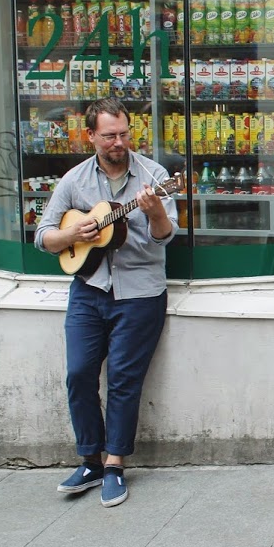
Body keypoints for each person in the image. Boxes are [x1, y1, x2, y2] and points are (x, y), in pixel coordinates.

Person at [35, 97, 178, 508]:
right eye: (109, 135)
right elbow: (43, 235)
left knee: (122, 379)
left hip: (140, 292)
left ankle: (115, 464)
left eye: (124, 134)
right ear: (91, 136)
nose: (119, 142)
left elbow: (166, 236)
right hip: (89, 288)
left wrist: (154, 213)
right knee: (79, 374)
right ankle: (90, 460)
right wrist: (72, 236)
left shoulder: (155, 176)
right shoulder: (74, 180)